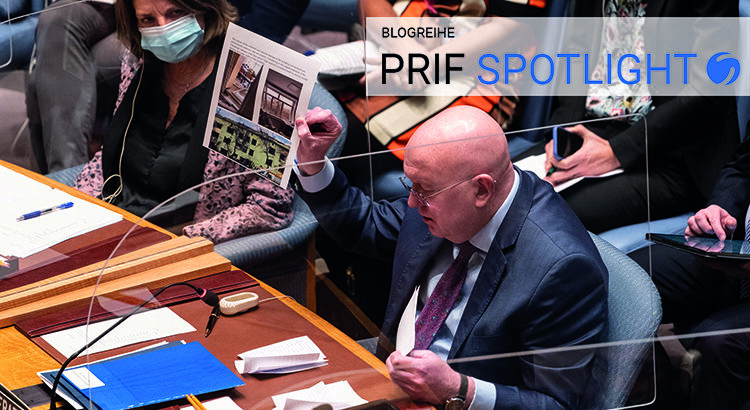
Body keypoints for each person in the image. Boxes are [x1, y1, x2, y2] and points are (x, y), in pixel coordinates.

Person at [293, 105, 609, 408]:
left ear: (482, 190)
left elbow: (555, 405)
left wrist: (460, 390)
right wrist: (313, 164)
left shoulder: (562, 269)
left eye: (424, 191)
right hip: (389, 382)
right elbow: (365, 225)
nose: (413, 203)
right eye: (411, 186)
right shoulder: (444, 192)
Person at [71, 0, 295, 243]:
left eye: (176, 13)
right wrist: (83, 213)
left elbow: (269, 207)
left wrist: (184, 242)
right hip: (113, 228)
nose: (164, 29)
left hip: (180, 246)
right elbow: (111, 154)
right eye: (148, 20)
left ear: (204, 8)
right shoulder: (139, 62)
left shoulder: (250, 82)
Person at [525, 0, 740, 234]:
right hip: (593, 129)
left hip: (671, 151)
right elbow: (577, 53)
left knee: (545, 213)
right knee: (498, 185)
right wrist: (563, 134)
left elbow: (707, 90)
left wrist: (616, 152)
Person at [628, 131, 750, 409]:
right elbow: (742, 166)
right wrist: (719, 209)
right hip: (738, 245)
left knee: (720, 341)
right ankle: (664, 396)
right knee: (626, 282)